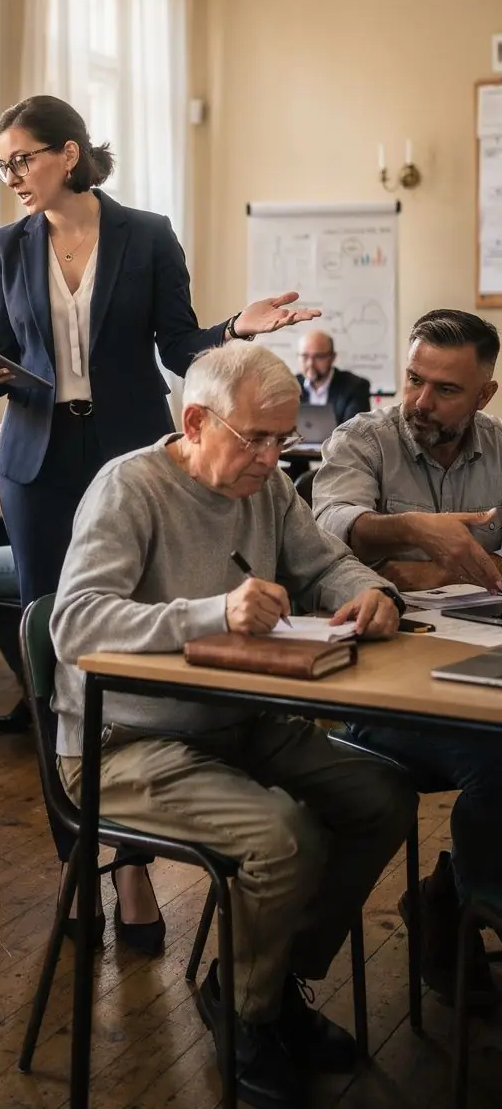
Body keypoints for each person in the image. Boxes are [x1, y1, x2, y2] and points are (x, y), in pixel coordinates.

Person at [51, 341, 417, 1107]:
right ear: (195, 420)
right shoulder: (130, 488)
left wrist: (373, 589)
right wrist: (214, 612)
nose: (272, 456)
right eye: (256, 438)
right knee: (282, 837)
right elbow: (75, 625)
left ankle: (266, 980)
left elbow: (326, 565)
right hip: (123, 742)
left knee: (382, 796)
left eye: (283, 439)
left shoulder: (269, 487)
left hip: (241, 720)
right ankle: (251, 1015)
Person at [0, 95, 320, 749]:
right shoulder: (4, 247)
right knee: (50, 612)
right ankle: (66, 772)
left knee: (139, 604)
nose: (12, 179)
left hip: (131, 450)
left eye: (22, 161)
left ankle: (152, 754)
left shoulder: (146, 234)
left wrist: (235, 328)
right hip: (36, 460)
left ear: (69, 154)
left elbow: (176, 344)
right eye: (1, 167)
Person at [313, 308, 502, 1007]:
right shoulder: (364, 439)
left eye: (445, 390)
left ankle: (451, 893)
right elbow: (328, 529)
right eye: (414, 378)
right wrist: (408, 531)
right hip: (372, 693)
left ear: (484, 394)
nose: (420, 401)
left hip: (471, 669)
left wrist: (429, 567)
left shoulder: (498, 450)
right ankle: (467, 909)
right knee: (498, 760)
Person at [297, 330, 371, 424]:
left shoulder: (355, 386)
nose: (310, 363)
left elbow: (353, 432)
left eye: (318, 356)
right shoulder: (290, 385)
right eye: (304, 356)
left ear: (333, 357)